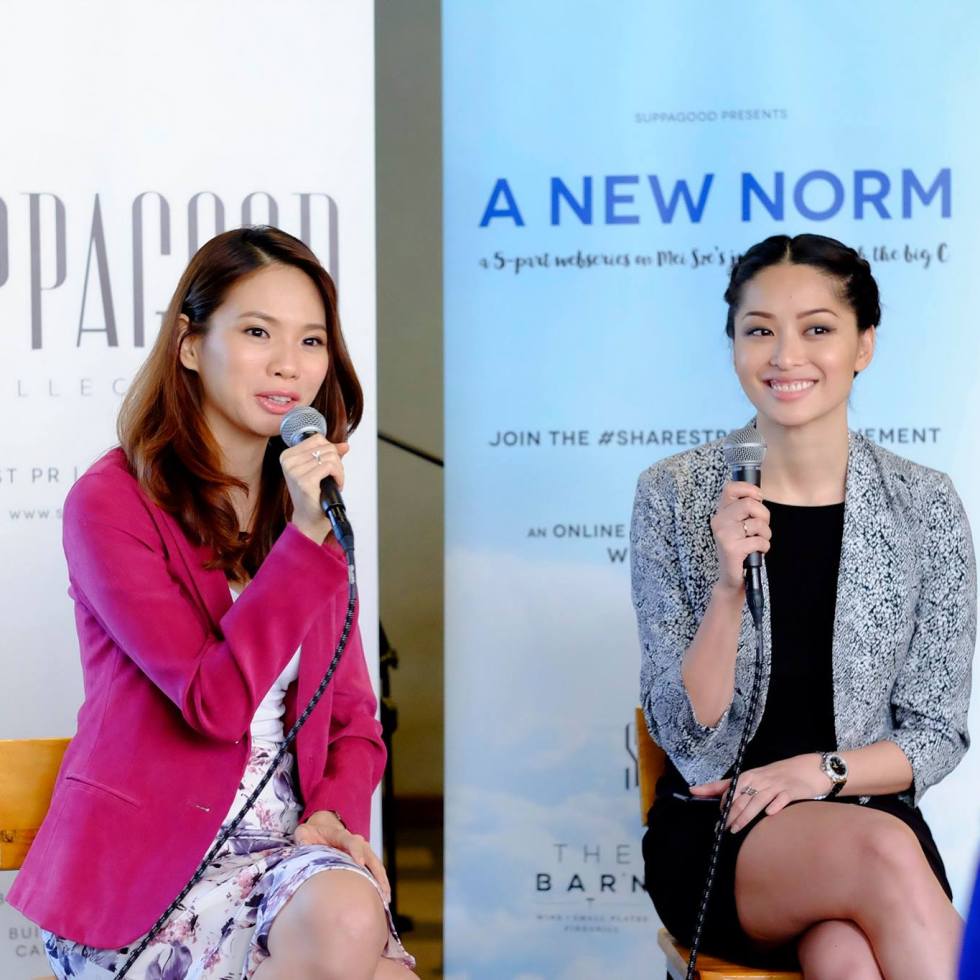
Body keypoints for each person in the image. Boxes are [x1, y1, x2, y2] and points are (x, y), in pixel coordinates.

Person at [9, 226, 417, 980]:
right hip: (148, 881)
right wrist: (306, 540)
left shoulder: (305, 511)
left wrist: (332, 813)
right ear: (190, 345)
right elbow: (213, 703)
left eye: (312, 341)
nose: (289, 364)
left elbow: (353, 719)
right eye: (258, 332)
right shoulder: (112, 504)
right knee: (354, 937)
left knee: (350, 924)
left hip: (291, 862)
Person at [631, 234, 975, 978]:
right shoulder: (674, 494)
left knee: (848, 959)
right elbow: (683, 732)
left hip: (863, 815)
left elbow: (936, 734)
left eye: (817, 328)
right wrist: (727, 588)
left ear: (864, 345)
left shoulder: (926, 505)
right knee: (884, 855)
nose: (786, 356)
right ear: (734, 346)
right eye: (760, 331)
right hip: (722, 830)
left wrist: (820, 772)